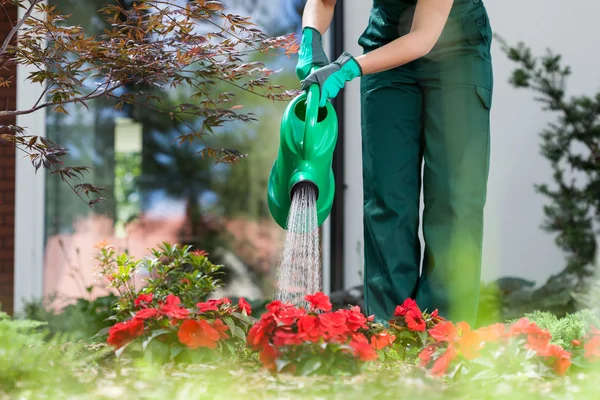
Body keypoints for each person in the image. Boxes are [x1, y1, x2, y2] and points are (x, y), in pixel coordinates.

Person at [297, 0, 493, 326]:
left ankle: (445, 340)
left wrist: (349, 67)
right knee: (387, 198)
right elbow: (322, 2)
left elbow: (422, 37)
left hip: (457, 52)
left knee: (455, 200)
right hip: (385, 49)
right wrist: (310, 39)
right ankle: (389, 338)